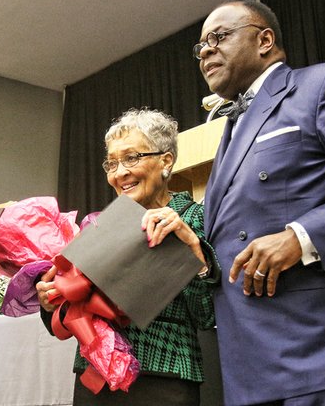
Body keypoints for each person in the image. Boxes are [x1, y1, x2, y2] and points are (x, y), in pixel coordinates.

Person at [195, 0, 325, 406]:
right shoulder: (230, 128)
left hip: (322, 353)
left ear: (265, 40)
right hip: (247, 370)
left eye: (218, 37)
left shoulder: (324, 84)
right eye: (200, 45)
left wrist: (301, 236)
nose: (205, 51)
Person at [37, 109, 219, 406]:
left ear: (166, 160)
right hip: (97, 378)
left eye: (132, 158)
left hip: (164, 380)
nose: (120, 173)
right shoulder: (98, 226)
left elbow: (207, 316)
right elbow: (69, 314)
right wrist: (50, 299)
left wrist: (195, 254)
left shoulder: (195, 218)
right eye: (112, 163)